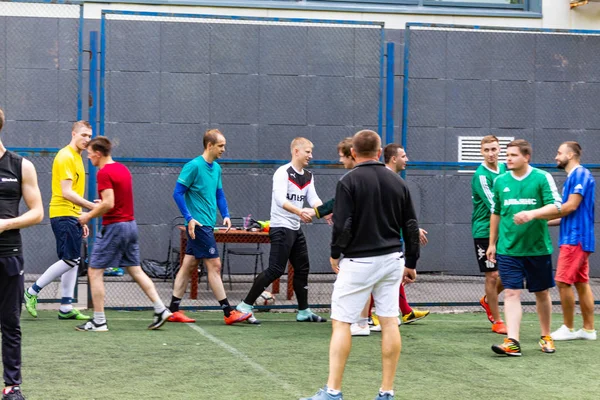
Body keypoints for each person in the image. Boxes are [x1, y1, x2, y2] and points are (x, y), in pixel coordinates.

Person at [301, 130, 420, 400]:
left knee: (342, 322)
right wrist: (411, 261)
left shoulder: (348, 181)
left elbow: (343, 224)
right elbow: (410, 226)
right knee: (390, 322)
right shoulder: (398, 182)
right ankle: (386, 392)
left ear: (353, 153)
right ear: (379, 153)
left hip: (358, 261)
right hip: (392, 260)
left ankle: (333, 392)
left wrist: (334, 253)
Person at [75, 137, 172, 331]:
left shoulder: (103, 173)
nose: (88, 156)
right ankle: (161, 309)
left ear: (98, 153)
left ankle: (99, 321)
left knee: (94, 271)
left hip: (115, 228)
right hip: (130, 226)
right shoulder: (122, 169)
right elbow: (113, 200)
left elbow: (109, 203)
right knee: (135, 269)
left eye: (90, 153)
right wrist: (101, 203)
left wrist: (88, 216)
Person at [236, 137, 326, 324]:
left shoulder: (308, 176)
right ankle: (244, 306)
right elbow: (280, 200)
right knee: (275, 269)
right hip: (281, 227)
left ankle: (303, 311)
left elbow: (314, 198)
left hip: (295, 228)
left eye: (311, 152)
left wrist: (325, 212)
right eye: (308, 151)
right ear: (296, 151)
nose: (311, 155)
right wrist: (299, 211)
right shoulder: (282, 172)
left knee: (302, 269)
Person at [167, 129, 250, 325]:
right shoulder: (193, 166)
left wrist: (226, 215)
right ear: (209, 145)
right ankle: (228, 312)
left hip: (207, 225)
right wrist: (189, 218)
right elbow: (177, 193)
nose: (224, 149)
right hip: (199, 226)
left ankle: (172, 310)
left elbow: (219, 194)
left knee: (188, 265)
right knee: (215, 266)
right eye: (221, 146)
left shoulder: (217, 168)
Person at [487, 139, 562, 356]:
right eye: (507, 155)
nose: (508, 159)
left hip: (537, 249)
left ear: (526, 157)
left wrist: (532, 213)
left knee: (541, 293)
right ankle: (512, 341)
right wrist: (492, 243)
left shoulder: (541, 178)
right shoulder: (500, 181)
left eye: (513, 155)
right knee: (511, 292)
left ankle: (546, 336)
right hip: (508, 249)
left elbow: (556, 207)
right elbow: (496, 212)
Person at [519, 142, 595, 341]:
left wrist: (535, 213)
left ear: (570, 155)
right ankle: (588, 330)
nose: (556, 156)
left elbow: (569, 207)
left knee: (562, 282)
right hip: (577, 237)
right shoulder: (575, 176)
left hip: (575, 238)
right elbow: (567, 214)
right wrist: (537, 220)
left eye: (559, 153)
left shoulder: (580, 175)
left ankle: (568, 328)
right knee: (580, 282)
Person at [24, 121, 96, 321]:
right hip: (63, 214)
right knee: (70, 260)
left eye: (89, 136)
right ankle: (32, 291)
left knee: (73, 261)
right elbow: (66, 193)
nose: (87, 140)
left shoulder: (78, 157)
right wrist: (92, 207)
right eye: (83, 135)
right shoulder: (65, 156)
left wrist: (83, 218)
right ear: (73, 134)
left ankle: (65, 307)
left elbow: (74, 193)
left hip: (72, 214)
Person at [0, 108, 44, 400]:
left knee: (10, 322)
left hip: (8, 254)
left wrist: (6, 224)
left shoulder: (20, 166)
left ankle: (12, 386)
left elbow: (39, 212)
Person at [470, 136, 507, 334]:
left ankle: (487, 300)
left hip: (506, 229)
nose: (491, 153)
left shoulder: (504, 169)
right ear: (481, 152)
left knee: (514, 273)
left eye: (494, 149)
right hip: (485, 231)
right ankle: (497, 320)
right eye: (487, 150)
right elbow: (496, 205)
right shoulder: (481, 176)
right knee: (492, 275)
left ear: (499, 149)